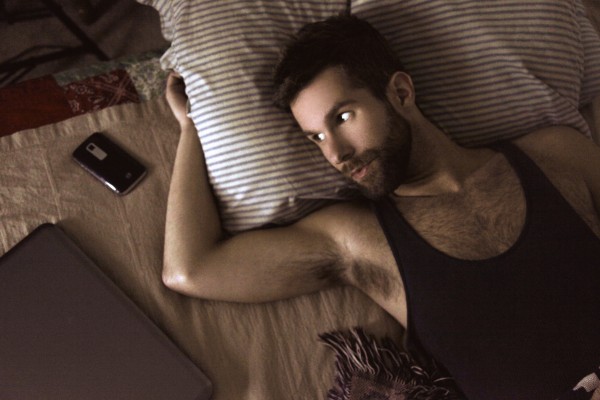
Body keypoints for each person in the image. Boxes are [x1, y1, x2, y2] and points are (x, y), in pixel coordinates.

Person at [163, 15, 600, 400]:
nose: (336, 153)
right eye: (316, 138)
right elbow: (190, 269)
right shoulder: (357, 241)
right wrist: (189, 129)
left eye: (342, 118)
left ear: (401, 93)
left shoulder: (556, 155)